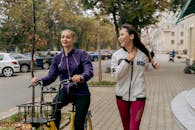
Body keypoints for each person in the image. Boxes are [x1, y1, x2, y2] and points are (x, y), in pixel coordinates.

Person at [32, 29, 94, 130]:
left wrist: (81, 77)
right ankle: (55, 128)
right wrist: (40, 80)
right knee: (54, 107)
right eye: (62, 37)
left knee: (78, 123)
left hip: (81, 93)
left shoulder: (81, 54)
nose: (64, 39)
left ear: (73, 39)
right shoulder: (57, 58)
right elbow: (51, 76)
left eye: (68, 37)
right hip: (66, 90)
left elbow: (89, 71)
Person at [111, 24, 159, 130]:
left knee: (133, 128)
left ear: (131, 36)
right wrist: (127, 61)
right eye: (119, 35)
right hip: (121, 96)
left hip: (138, 96)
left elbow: (146, 68)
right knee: (126, 127)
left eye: (122, 34)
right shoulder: (116, 55)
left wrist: (153, 64)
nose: (119, 37)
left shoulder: (143, 55)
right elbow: (115, 77)